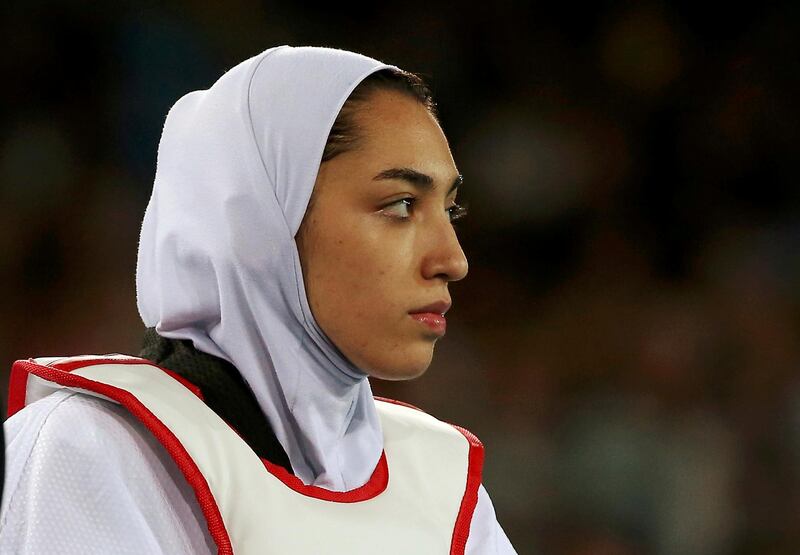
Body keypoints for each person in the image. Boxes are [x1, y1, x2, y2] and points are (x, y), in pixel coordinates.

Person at [0, 45, 516, 554]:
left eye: (450, 210)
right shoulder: (88, 449)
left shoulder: (443, 487)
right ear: (260, 221)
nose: (453, 259)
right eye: (400, 205)